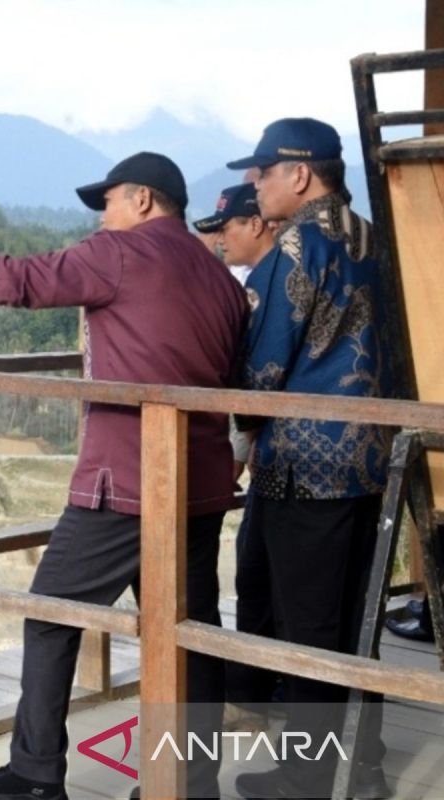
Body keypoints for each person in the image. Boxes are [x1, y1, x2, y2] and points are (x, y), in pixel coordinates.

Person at [0, 151, 248, 800]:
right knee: (186, 631)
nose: (103, 216)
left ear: (143, 201)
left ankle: (36, 775)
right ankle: (189, 781)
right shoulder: (220, 277)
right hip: (198, 481)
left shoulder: (120, 253)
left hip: (126, 480)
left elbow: (17, 280)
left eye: (110, 202)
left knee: (50, 615)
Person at [226, 118, 396, 800]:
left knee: (307, 629)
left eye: (262, 171)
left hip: (306, 467)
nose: (254, 183)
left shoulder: (297, 247)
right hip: (370, 460)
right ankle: (366, 769)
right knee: (355, 624)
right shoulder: (370, 235)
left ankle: (307, 776)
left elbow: (262, 368)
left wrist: (234, 428)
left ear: (300, 174)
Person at [193, 184, 280, 729]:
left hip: (282, 456)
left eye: (225, 228)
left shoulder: (262, 290)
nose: (219, 239)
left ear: (257, 225)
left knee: (264, 579)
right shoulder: (251, 287)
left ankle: (252, 701)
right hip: (272, 455)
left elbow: (253, 385)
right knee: (255, 576)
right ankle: (248, 696)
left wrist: (237, 455)